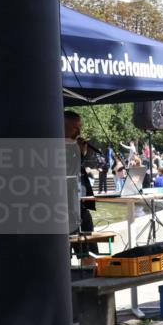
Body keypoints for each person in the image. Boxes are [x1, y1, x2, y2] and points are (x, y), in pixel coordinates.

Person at [65, 111, 97, 265]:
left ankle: (92, 281)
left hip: (81, 207)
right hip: (65, 211)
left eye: (80, 128)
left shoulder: (73, 147)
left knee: (89, 252)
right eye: (74, 128)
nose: (79, 132)